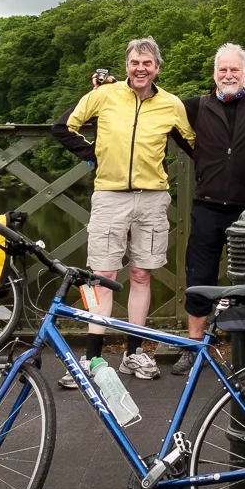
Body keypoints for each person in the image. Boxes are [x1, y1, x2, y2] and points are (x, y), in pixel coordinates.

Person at [51, 36, 193, 384]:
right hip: (109, 196)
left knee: (142, 275)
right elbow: (63, 127)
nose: (140, 69)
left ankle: (134, 353)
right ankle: (92, 359)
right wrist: (93, 154)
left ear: (157, 68)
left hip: (152, 198)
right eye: (134, 63)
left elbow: (194, 145)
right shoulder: (104, 94)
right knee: (103, 276)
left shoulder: (171, 104)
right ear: (127, 65)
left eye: (147, 63)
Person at [172, 43, 245, 376]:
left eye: (234, 69)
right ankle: (195, 347)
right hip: (206, 206)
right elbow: (155, 109)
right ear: (214, 73)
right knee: (199, 276)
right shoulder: (195, 106)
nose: (228, 75)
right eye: (222, 69)